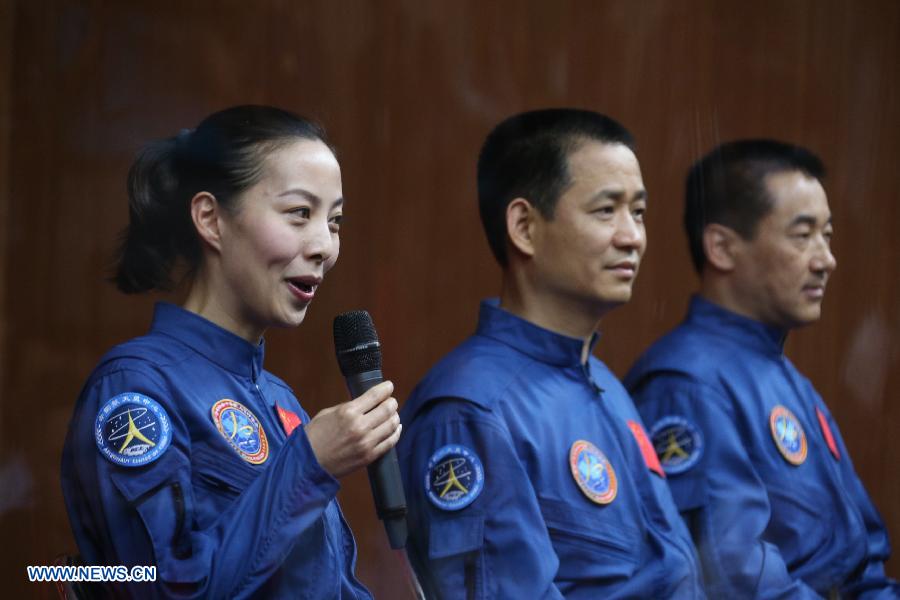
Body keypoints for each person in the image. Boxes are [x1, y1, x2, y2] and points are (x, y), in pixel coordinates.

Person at [61, 105, 402, 599]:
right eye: (299, 213)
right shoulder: (135, 388)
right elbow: (167, 588)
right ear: (210, 218)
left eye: (336, 221)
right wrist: (309, 464)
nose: (325, 245)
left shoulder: (280, 401)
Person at [397, 108, 704, 598]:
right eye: (606, 210)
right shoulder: (472, 411)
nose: (633, 237)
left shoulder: (602, 382)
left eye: (639, 212)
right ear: (524, 226)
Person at [625, 139, 900, 598]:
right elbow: (734, 582)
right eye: (802, 234)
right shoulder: (688, 385)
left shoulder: (786, 378)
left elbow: (863, 556)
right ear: (722, 247)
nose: (825, 260)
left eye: (827, 235)